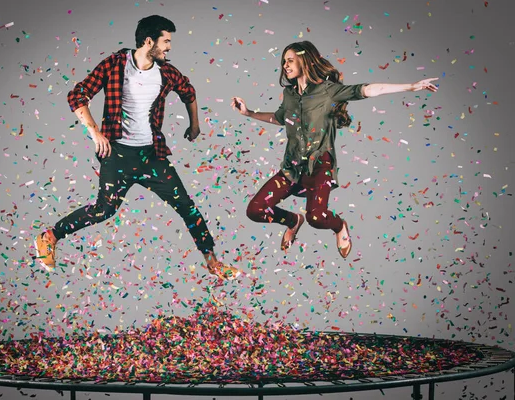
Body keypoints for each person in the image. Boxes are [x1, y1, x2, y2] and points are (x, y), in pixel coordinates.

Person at [35, 15, 240, 281]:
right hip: (117, 154)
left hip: (151, 156)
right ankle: (50, 236)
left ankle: (213, 263)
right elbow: (77, 95)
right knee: (103, 210)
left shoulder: (166, 72)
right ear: (148, 41)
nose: (169, 47)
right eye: (165, 41)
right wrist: (95, 132)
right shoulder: (116, 64)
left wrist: (195, 125)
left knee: (186, 206)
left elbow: (188, 91)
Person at [231, 41, 438, 258]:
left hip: (320, 164)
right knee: (255, 210)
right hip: (292, 166)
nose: (285, 65)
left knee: (317, 218)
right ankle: (293, 221)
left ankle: (339, 227)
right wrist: (248, 113)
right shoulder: (289, 94)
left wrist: (412, 86)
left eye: (290, 60)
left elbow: (367, 90)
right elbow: (280, 118)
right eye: (284, 61)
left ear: (305, 60)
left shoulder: (328, 91)